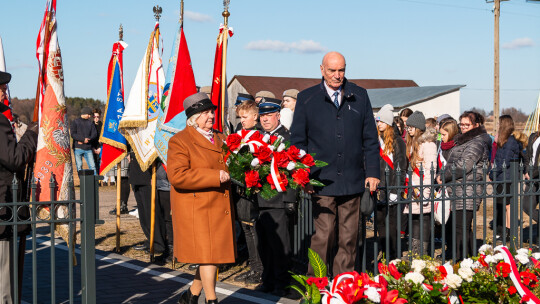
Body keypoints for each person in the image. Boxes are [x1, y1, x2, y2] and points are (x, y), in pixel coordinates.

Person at [290, 51, 380, 276]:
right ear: (322, 70)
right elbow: (298, 142)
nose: (337, 75)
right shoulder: (307, 98)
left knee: (349, 238)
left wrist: (373, 172)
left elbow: (370, 138)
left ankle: (343, 288)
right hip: (321, 179)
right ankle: (316, 287)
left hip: (352, 179)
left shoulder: (359, 95)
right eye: (332, 70)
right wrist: (304, 175)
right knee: (324, 235)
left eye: (342, 70)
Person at [168, 92, 236, 304]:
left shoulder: (221, 137)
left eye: (211, 111)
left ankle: (191, 296)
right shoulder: (179, 141)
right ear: (192, 118)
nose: (210, 116)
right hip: (197, 207)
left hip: (219, 204)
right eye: (204, 113)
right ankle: (212, 300)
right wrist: (214, 175)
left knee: (212, 256)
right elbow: (177, 176)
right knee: (209, 257)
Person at [253, 97, 298, 297]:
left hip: (279, 201)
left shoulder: (287, 138)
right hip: (260, 200)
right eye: (262, 116)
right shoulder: (258, 137)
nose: (265, 119)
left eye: (269, 115)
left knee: (280, 246)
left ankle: (282, 283)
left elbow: (295, 171)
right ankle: (269, 280)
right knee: (264, 245)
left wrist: (290, 199)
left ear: (278, 115)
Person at [0, 71, 38, 304]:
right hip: (3, 207)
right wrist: (31, 136)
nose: (5, 91)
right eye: (2, 88)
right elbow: (14, 158)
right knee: (4, 282)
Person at [437, 114, 490, 260]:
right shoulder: (463, 141)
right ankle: (471, 258)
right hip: (457, 189)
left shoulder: (476, 143)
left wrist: (444, 175)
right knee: (460, 228)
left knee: (461, 228)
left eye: (467, 125)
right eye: (462, 124)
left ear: (476, 125)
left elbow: (464, 165)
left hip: (468, 190)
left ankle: (461, 260)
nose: (463, 127)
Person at [232, 100, 263, 285]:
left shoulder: (257, 136)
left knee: (253, 230)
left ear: (255, 117)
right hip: (240, 189)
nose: (242, 120)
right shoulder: (239, 134)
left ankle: (258, 269)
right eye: (240, 117)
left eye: (245, 117)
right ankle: (254, 266)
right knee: (246, 229)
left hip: (251, 190)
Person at [402, 111, 437, 255]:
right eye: (407, 127)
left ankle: (421, 252)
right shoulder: (412, 143)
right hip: (412, 187)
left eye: (411, 127)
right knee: (415, 219)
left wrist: (425, 192)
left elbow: (430, 170)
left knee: (423, 219)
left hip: (422, 188)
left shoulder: (428, 145)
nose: (408, 129)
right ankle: (415, 251)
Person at [374, 105, 406, 261]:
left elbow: (401, 166)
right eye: (378, 121)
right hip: (378, 187)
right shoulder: (375, 140)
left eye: (381, 122)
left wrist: (396, 190)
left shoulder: (398, 141)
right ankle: (384, 250)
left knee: (392, 224)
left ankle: (393, 254)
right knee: (380, 222)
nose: (379, 124)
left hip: (392, 186)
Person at [489, 115, 522, 238]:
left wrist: (493, 173)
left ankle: (509, 232)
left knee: (508, 206)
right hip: (501, 177)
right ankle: (505, 230)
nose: (497, 126)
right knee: (504, 205)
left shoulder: (510, 142)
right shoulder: (505, 140)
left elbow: (505, 161)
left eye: (499, 124)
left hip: (506, 178)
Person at [70, 107, 97, 175]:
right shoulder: (75, 122)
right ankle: (82, 182)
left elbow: (94, 134)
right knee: (79, 166)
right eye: (89, 114)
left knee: (92, 166)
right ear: (85, 113)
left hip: (88, 148)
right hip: (78, 148)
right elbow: (73, 134)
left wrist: (88, 140)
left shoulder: (90, 123)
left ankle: (95, 182)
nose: (90, 116)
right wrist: (82, 139)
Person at [523, 120, 540, 223]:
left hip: (536, 174)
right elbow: (528, 156)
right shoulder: (533, 137)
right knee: (526, 206)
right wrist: (526, 170)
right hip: (531, 174)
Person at [91, 108, 103, 173]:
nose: (96, 118)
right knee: (93, 165)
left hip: (100, 148)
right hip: (92, 148)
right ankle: (95, 180)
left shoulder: (102, 126)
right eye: (94, 116)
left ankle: (100, 180)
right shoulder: (90, 125)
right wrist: (92, 148)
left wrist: (100, 148)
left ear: (100, 116)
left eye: (97, 117)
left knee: (100, 164)